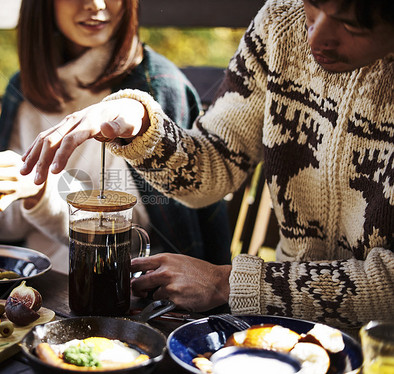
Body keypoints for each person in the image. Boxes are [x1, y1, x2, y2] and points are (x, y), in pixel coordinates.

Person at [20, 0, 394, 332]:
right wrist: (140, 122)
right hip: (287, 329)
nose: (315, 37)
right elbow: (211, 168)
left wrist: (232, 283)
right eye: (314, 5)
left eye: (351, 24)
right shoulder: (281, 22)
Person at [0, 0, 231, 274]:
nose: (96, 4)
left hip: (119, 287)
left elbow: (136, 238)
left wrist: (38, 191)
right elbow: (7, 230)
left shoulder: (153, 89)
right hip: (28, 280)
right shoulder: (24, 89)